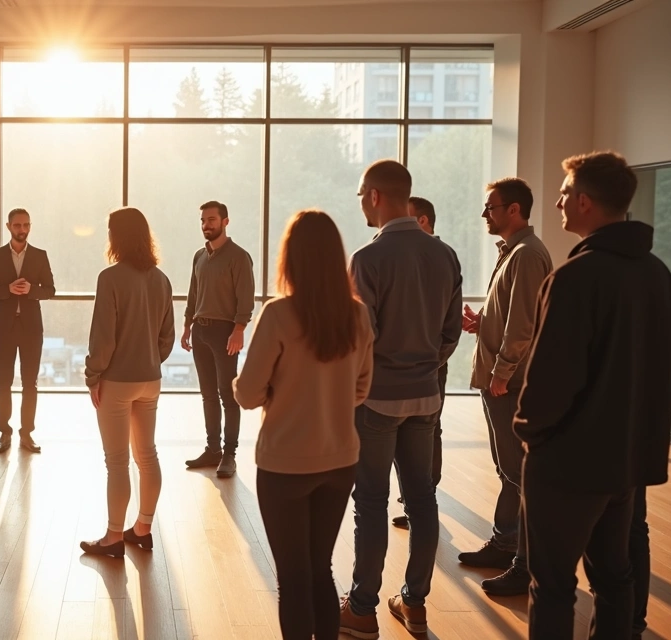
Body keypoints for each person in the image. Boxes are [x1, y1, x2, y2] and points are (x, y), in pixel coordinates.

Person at [516, 151, 671, 640]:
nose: (559, 201)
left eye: (564, 193)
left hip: (567, 463)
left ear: (584, 202)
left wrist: (529, 432)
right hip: (625, 460)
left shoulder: (574, 278)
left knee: (554, 585)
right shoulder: (657, 274)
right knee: (615, 577)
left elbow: (550, 380)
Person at [235, 210, 374, 640]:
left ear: (290, 258)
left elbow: (247, 394)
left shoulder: (278, 315)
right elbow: (361, 389)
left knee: (292, 578)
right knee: (319, 570)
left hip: (285, 464)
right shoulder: (357, 315)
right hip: (339, 461)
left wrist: (275, 392)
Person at [341, 160, 462, 638]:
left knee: (370, 503)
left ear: (374, 195)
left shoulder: (368, 259)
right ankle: (414, 603)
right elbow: (451, 331)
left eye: (360, 196)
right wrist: (427, 367)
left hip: (376, 402)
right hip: (426, 398)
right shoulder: (445, 254)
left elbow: (360, 339)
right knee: (422, 500)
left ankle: (363, 608)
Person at [453, 178, 553, 597]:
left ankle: (525, 565)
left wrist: (503, 371)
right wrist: (482, 326)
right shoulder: (514, 253)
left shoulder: (527, 255)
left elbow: (524, 324)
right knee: (508, 470)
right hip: (503, 378)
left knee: (518, 473)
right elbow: (511, 315)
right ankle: (505, 544)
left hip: (509, 383)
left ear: (514, 210)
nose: (485, 214)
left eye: (490, 207)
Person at [79, 208, 173, 558]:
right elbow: (167, 338)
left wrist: (93, 376)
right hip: (151, 380)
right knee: (147, 456)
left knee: (117, 462)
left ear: (116, 236)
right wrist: (147, 361)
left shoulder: (110, 278)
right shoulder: (162, 280)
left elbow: (102, 339)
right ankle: (143, 528)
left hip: (116, 382)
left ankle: (113, 538)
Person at [182, 200, 256, 479]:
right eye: (203, 220)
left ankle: (229, 454)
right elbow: (193, 292)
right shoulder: (199, 256)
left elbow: (245, 298)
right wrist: (187, 325)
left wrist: (239, 329)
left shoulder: (239, 256)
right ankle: (212, 449)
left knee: (228, 394)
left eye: (211, 220)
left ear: (225, 221)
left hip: (225, 332)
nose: (206, 225)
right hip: (199, 331)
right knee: (208, 394)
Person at [392, 196, 450, 531]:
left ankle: (421, 499)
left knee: (428, 430)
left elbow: (448, 325)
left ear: (424, 221)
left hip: (427, 366)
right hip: (407, 366)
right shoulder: (408, 256)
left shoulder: (438, 259)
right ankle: (415, 500)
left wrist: (431, 361)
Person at [0, 208, 56, 455]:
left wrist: (31, 289)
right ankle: (5, 433)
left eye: (25, 225)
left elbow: (50, 290)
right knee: (3, 382)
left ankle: (27, 433)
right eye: (17, 225)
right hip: (3, 328)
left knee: (30, 383)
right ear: (8, 226)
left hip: (32, 329)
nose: (21, 229)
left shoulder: (40, 255)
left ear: (30, 226)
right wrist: (8, 289)